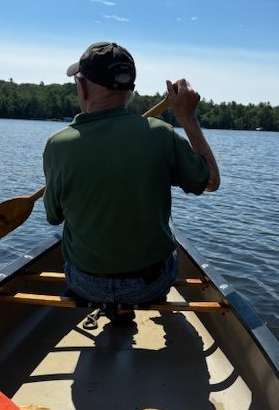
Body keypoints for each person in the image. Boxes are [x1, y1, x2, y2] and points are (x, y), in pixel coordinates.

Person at [42, 41, 220, 320]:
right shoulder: (160, 134)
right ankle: (128, 303)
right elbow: (210, 182)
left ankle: (105, 299)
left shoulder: (58, 145)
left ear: (82, 85)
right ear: (130, 89)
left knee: (70, 234)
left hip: (86, 284)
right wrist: (187, 117)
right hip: (149, 286)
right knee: (168, 239)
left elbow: (54, 217)